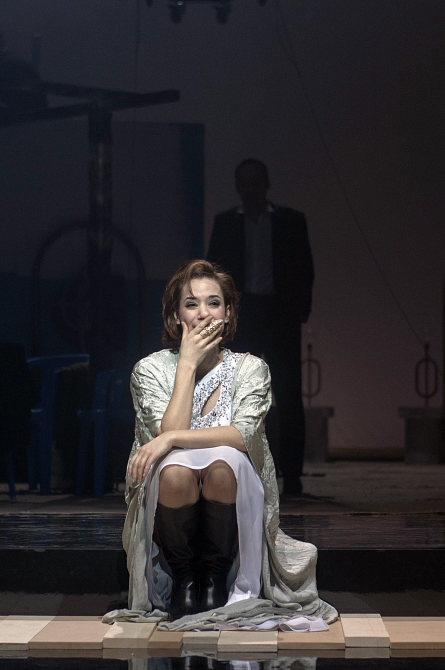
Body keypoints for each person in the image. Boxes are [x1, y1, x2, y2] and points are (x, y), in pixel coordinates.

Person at [114, 259, 336, 628]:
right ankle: (186, 578)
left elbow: (242, 435)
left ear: (228, 313)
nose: (203, 313)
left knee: (222, 463)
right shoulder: (150, 369)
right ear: (176, 316)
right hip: (170, 489)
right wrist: (187, 365)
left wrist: (172, 438)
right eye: (191, 304)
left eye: (213, 302)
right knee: (175, 470)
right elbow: (168, 431)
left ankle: (216, 576)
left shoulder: (251, 368)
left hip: (230, 484)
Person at [207, 159, 313, 495]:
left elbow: (304, 267)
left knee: (288, 392)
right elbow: (214, 273)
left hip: (280, 314)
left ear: (266, 185)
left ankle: (292, 475)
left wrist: (300, 310)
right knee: (239, 393)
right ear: (238, 187)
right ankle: (237, 468)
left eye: (255, 183)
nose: (250, 190)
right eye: (244, 184)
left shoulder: (290, 221)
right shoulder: (226, 223)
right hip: (244, 315)